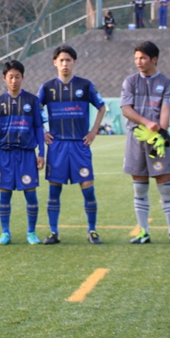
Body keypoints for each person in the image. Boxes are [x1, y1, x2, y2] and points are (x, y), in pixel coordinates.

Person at [38, 45, 106, 245]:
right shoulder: (47, 88)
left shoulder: (85, 85)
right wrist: (43, 131)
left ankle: (92, 230)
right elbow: (35, 110)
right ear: (55, 62)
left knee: (88, 188)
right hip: (57, 145)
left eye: (68, 60)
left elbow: (102, 107)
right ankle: (53, 232)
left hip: (79, 145)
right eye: (61, 60)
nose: (65, 64)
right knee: (54, 190)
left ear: (74, 62)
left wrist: (94, 131)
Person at [120, 41, 170, 245]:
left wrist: (160, 133)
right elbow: (126, 109)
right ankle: (143, 232)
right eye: (136, 58)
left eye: (143, 58)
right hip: (137, 138)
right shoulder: (130, 82)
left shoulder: (167, 83)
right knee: (139, 188)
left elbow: (166, 109)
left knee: (165, 187)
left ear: (154, 59)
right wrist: (147, 123)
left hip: (157, 140)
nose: (138, 62)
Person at [0, 60, 45, 245]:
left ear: (23, 77)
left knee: (30, 193)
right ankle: (5, 233)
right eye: (10, 77)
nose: (14, 81)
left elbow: (38, 127)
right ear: (4, 78)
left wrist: (41, 153)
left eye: (17, 77)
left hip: (27, 154)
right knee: (5, 194)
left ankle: (31, 232)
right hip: (6, 154)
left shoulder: (32, 101)